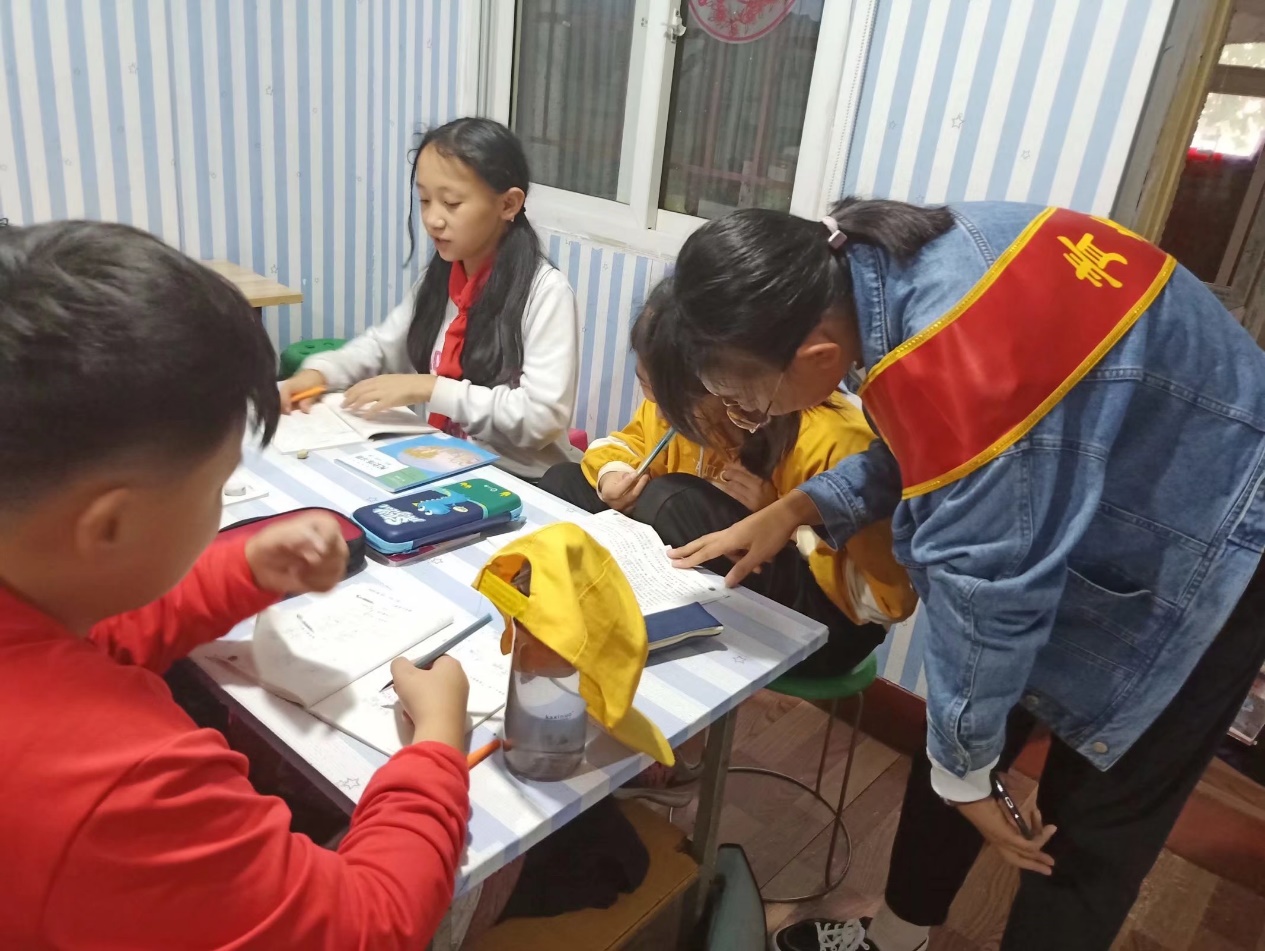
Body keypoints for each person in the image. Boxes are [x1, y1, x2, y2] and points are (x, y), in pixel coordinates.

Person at [664, 199, 1265, 951]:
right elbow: (935, 442)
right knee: (956, 743)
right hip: (1108, 506)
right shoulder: (885, 267)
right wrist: (795, 508)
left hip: (1217, 546)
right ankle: (896, 937)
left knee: (1082, 828)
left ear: (816, 356)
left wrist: (965, 773)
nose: (746, 417)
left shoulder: (953, 348)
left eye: (745, 404)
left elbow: (985, 589)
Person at [0, 220, 478, 949]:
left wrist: (244, 569)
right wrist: (438, 746)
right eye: (218, 487)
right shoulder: (124, 785)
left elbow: (84, 640)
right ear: (110, 524)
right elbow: (372, 925)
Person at [541, 283, 916, 804]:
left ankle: (664, 742)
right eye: (646, 387)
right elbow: (625, 442)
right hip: (724, 590)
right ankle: (596, 692)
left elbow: (886, 600)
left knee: (673, 502)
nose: (657, 409)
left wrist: (785, 518)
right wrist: (612, 476)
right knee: (565, 481)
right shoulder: (675, 407)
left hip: (832, 625)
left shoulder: (832, 437)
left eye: (668, 397)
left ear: (721, 381)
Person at [282, 117, 580, 479]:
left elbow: (541, 418)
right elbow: (381, 347)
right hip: (444, 461)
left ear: (508, 204)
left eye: (451, 203)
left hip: (520, 479)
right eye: (425, 200)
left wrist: (431, 388)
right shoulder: (441, 277)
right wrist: (317, 373)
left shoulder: (545, 293)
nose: (433, 219)